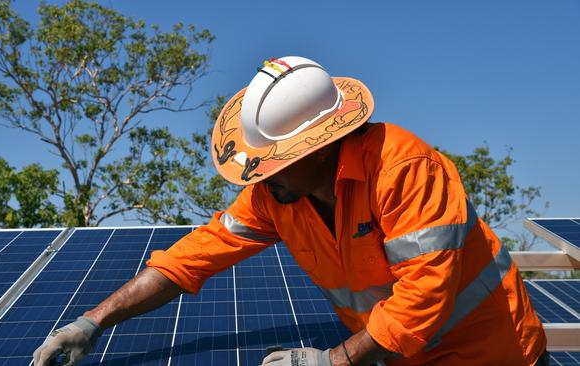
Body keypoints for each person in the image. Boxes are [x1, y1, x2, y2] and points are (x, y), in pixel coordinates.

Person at [33, 56, 549, 366]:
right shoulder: (275, 195)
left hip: (493, 355)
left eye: (276, 164)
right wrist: (93, 321)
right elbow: (191, 258)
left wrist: (336, 359)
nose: (262, 176)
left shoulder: (405, 170)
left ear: (323, 147)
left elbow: (423, 299)